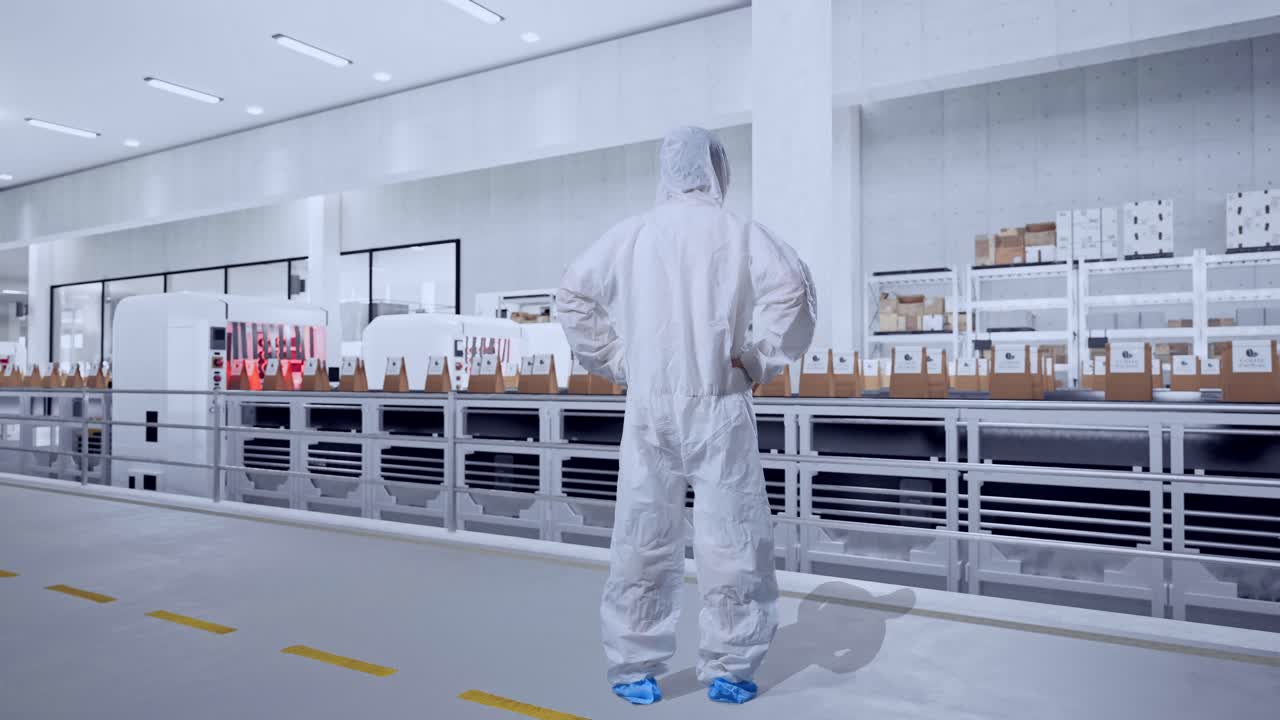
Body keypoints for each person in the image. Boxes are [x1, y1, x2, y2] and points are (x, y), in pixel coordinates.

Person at [556, 126, 817, 705]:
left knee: (642, 535)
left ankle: (632, 667)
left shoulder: (633, 235)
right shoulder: (742, 234)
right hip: (720, 403)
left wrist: (619, 360)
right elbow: (795, 294)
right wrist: (755, 359)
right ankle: (733, 665)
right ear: (717, 168)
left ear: (665, 169)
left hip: (649, 407)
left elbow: (573, 293)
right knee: (733, 538)